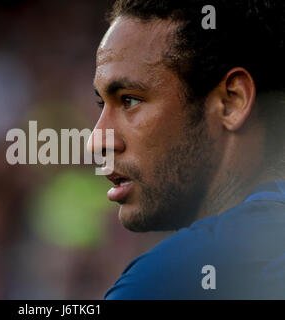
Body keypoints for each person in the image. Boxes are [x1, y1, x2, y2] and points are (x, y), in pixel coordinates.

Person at [88, 0, 285, 299]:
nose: (97, 141)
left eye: (129, 100)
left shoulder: (165, 281)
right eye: (103, 105)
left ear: (232, 102)